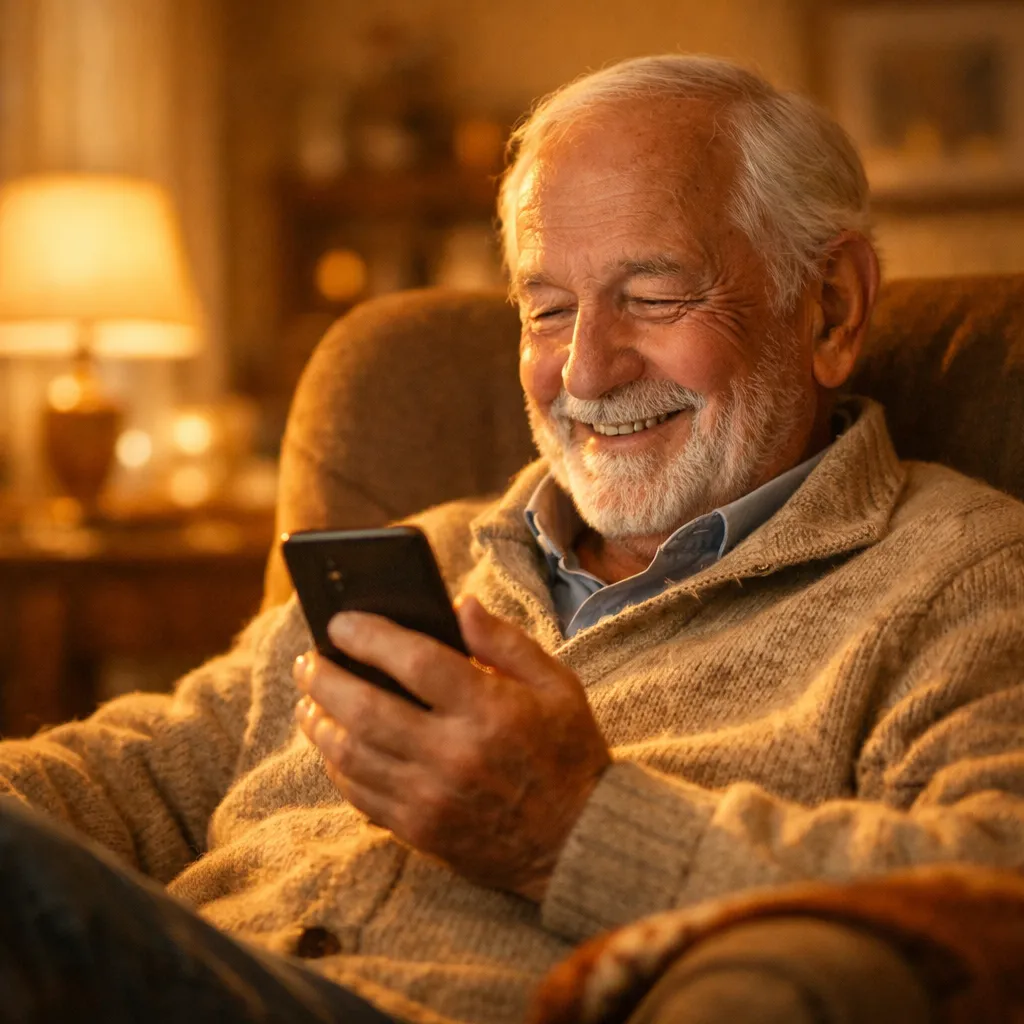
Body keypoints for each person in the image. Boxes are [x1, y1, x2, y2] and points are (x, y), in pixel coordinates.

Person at [1, 54, 1023, 1024]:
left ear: (831, 308)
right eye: (546, 309)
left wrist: (571, 831)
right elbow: (126, 778)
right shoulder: (431, 556)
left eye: (652, 295)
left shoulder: (964, 577)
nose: (583, 372)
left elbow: (991, 884)